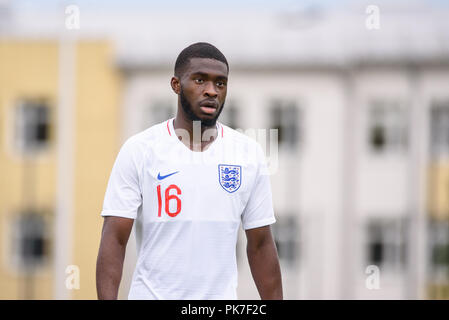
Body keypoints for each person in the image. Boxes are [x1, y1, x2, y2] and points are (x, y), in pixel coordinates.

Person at [96, 42, 283, 300]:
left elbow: (261, 245)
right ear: (176, 85)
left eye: (220, 83)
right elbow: (114, 239)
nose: (211, 91)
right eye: (199, 80)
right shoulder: (140, 150)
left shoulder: (247, 154)